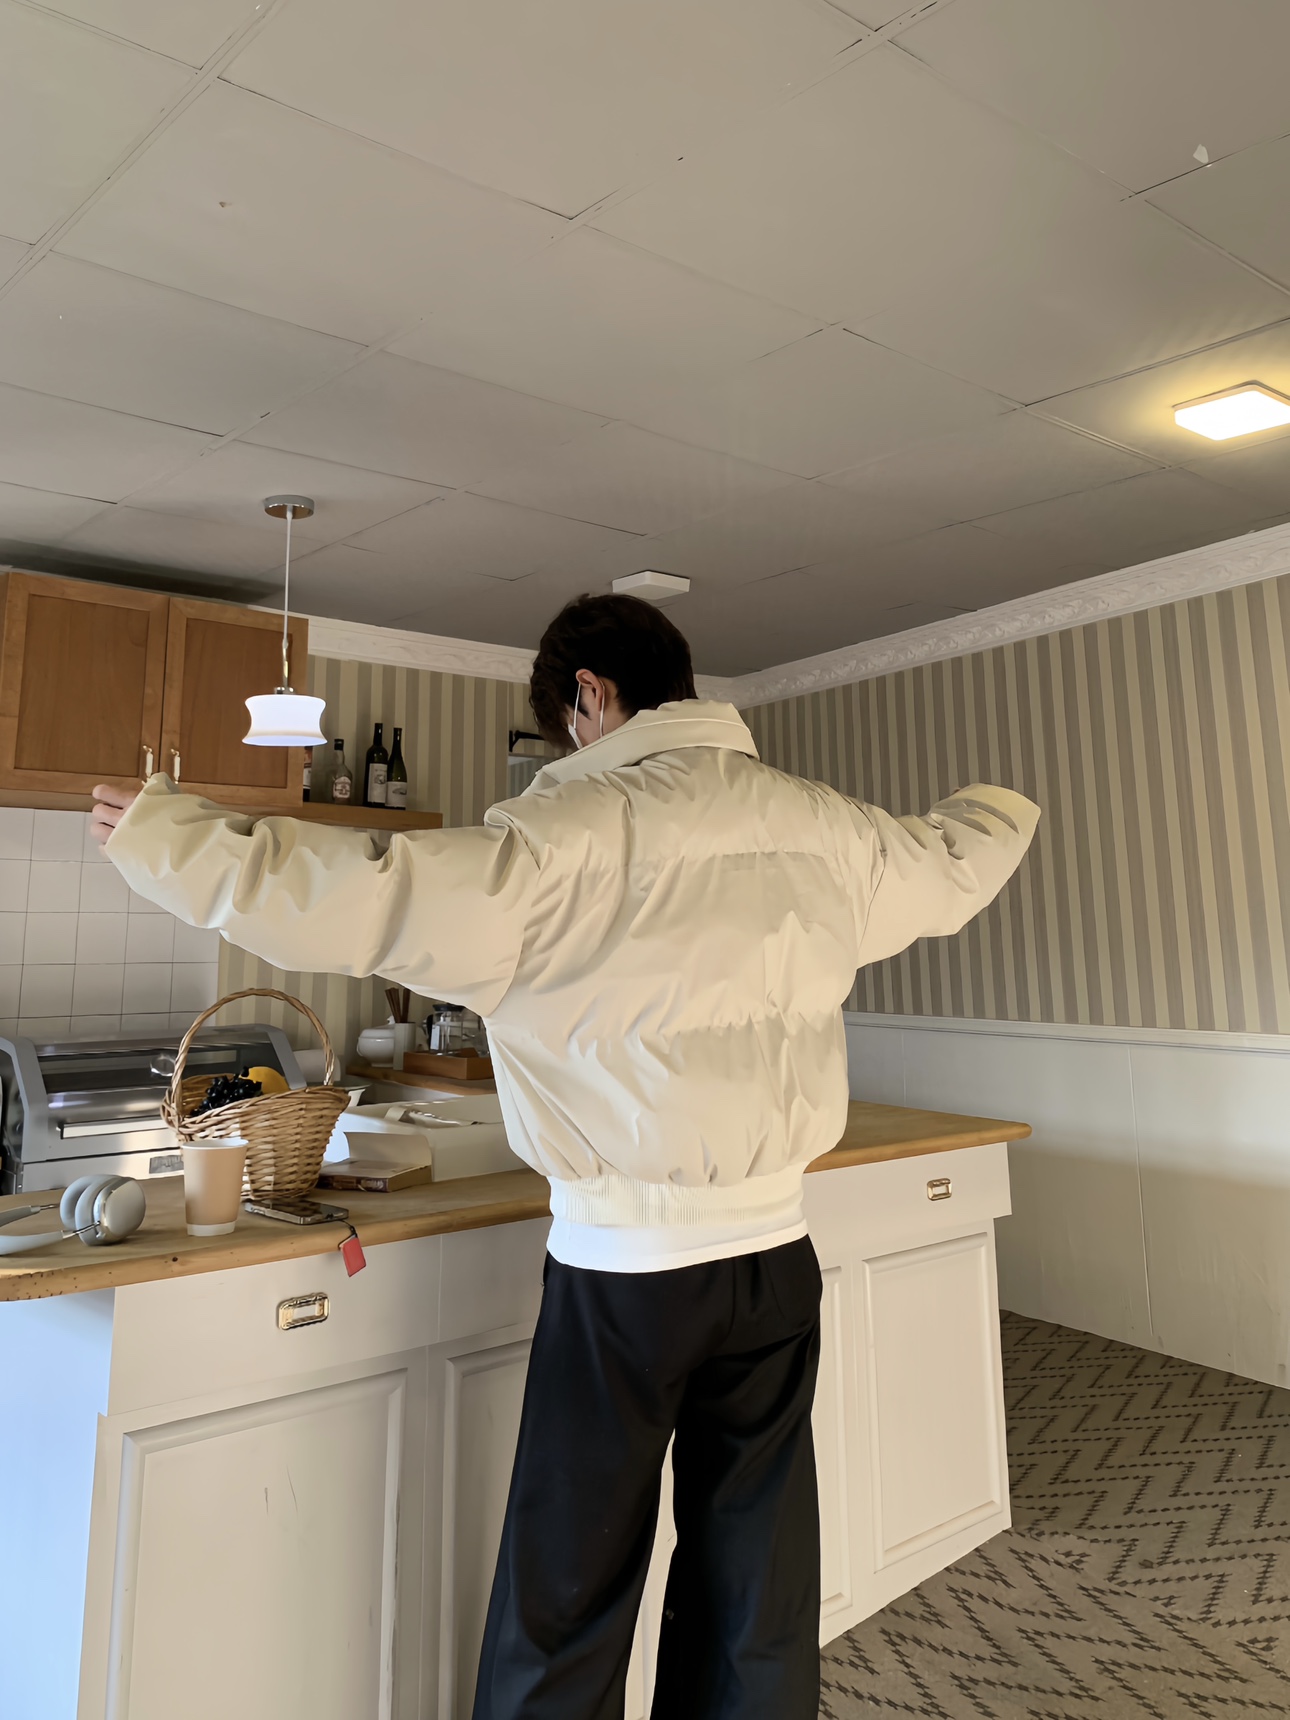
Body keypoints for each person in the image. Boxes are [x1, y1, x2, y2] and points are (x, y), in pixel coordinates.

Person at [93, 592, 1040, 1720]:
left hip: (627, 1275)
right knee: (758, 1575)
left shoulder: (558, 839)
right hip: (776, 1259)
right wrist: (1000, 805)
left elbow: (363, 893)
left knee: (569, 1590)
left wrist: (164, 838)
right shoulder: (821, 825)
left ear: (590, 693)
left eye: (564, 725)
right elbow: (951, 859)